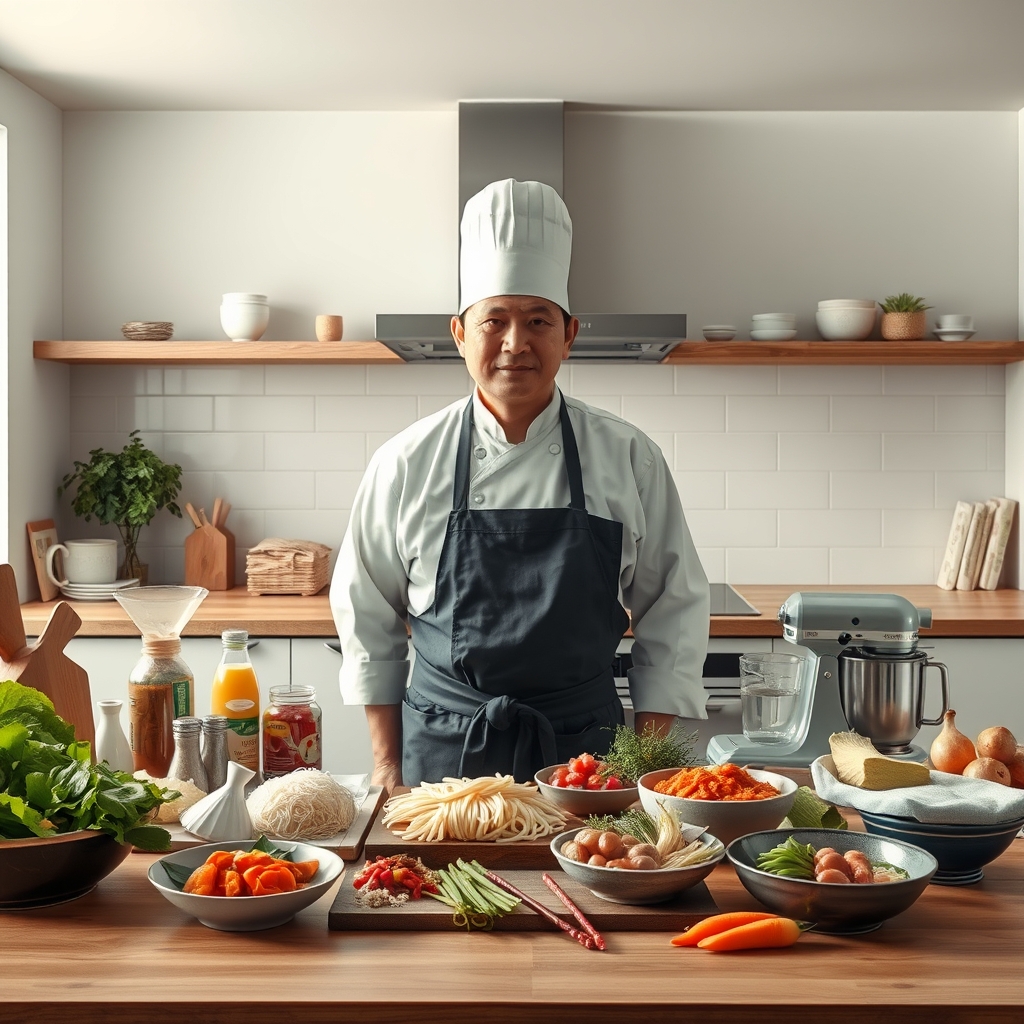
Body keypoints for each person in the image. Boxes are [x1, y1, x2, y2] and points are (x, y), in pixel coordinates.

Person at [331, 178, 710, 791]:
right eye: (495, 320)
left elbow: (674, 608)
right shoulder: (406, 461)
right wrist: (384, 766)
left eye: (538, 320)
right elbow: (367, 616)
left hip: (587, 762)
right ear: (459, 333)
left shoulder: (629, 456)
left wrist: (643, 768)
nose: (516, 343)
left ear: (570, 334)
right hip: (442, 760)